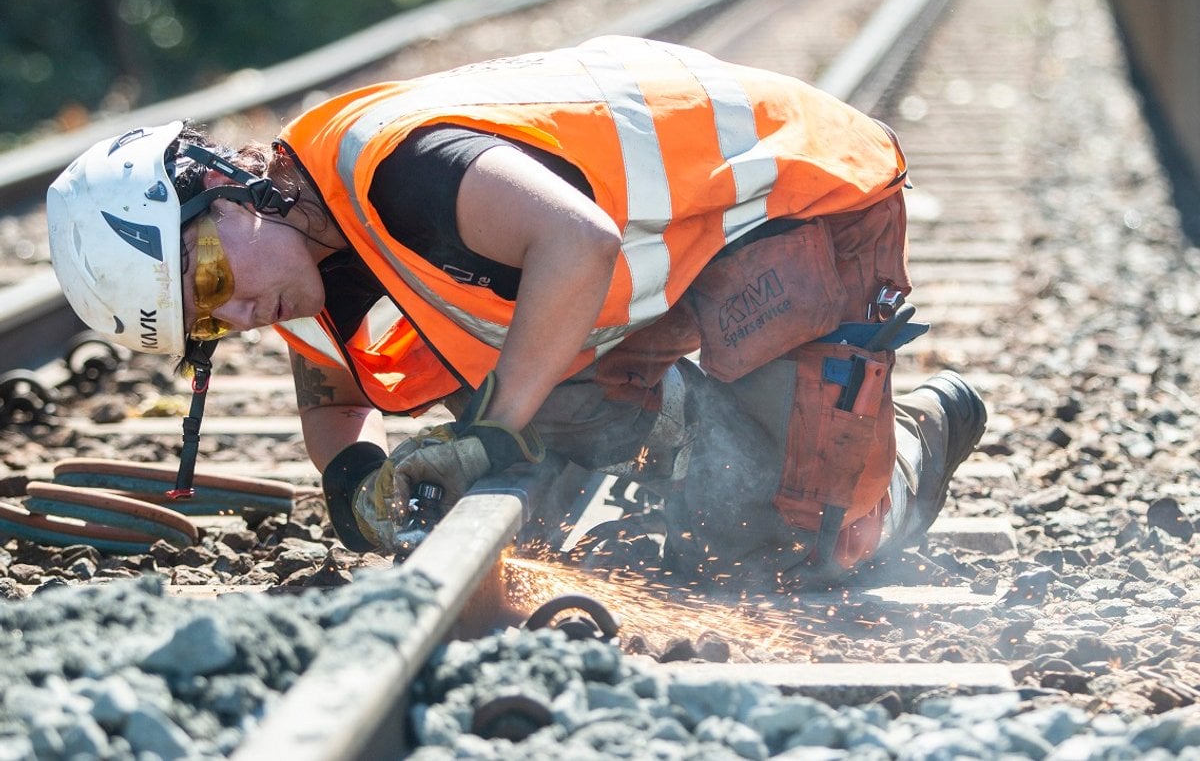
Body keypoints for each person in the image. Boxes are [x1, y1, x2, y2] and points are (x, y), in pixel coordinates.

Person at [46, 35, 986, 586]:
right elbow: (331, 393)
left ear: (222, 185)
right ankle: (709, 437)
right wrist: (353, 483)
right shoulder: (291, 255)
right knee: (704, 513)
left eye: (209, 278)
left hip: (785, 198)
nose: (238, 311)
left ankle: (917, 435)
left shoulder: (399, 170)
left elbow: (578, 243)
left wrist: (493, 435)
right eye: (207, 325)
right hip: (664, 255)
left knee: (823, 542)